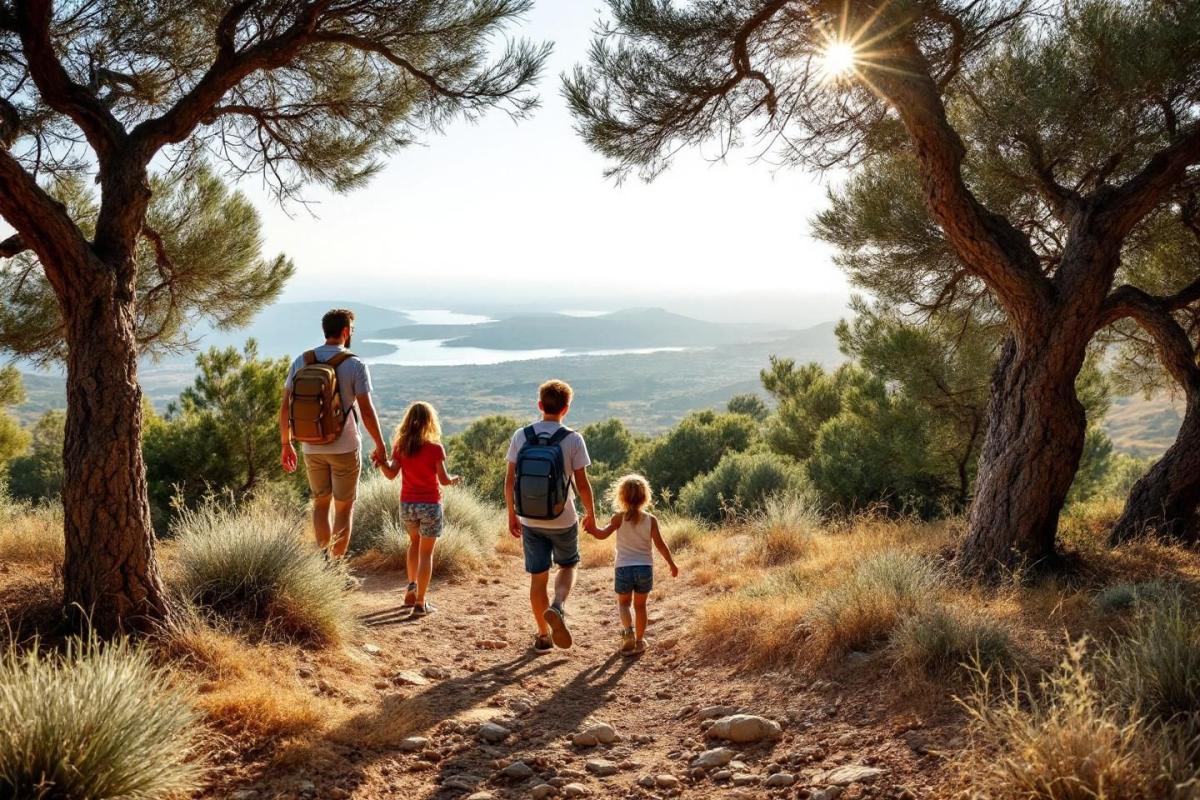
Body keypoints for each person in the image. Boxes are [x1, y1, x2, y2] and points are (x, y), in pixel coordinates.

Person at [279, 308, 388, 561]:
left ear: (324, 331)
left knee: (320, 504)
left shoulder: (302, 361)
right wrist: (380, 444)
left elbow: (285, 407)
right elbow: (367, 411)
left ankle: (322, 560)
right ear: (346, 331)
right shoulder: (355, 364)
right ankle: (336, 568)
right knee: (343, 508)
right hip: (345, 447)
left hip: (311, 446)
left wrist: (286, 443)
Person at [505, 379, 596, 654]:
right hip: (563, 518)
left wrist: (512, 514)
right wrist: (591, 514)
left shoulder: (521, 436)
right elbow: (582, 485)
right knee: (568, 566)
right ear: (566, 409)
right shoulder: (573, 439)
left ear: (540, 405)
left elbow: (509, 481)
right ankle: (557, 606)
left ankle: (543, 635)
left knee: (538, 577)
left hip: (529, 519)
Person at [376, 401, 460, 616]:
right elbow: (443, 479)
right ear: (430, 422)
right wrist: (453, 480)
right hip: (430, 505)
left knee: (413, 544)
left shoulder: (401, 446)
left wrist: (382, 462)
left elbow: (391, 474)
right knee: (426, 554)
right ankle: (420, 603)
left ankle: (411, 588)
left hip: (408, 505)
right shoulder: (434, 448)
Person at [590, 474, 678, 655]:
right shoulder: (651, 519)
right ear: (645, 497)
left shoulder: (618, 518)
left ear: (621, 496)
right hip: (644, 568)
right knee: (640, 606)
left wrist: (591, 529)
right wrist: (671, 564)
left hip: (623, 567)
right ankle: (639, 640)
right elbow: (660, 545)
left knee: (623, 604)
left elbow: (601, 534)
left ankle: (628, 632)